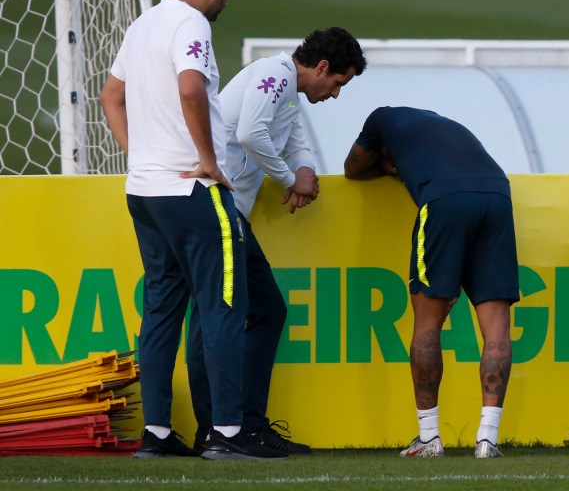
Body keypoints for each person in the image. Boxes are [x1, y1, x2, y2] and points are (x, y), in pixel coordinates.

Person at [99, 0, 285, 461]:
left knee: (160, 312)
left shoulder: (143, 24)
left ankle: (156, 434)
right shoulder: (191, 24)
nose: (227, 2)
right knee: (224, 308)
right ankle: (226, 432)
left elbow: (109, 96)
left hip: (145, 190)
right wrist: (209, 159)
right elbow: (190, 89)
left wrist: (142, 155)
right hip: (191, 190)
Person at [187, 27, 367, 455]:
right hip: (216, 211)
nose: (336, 94)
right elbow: (252, 133)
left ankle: (230, 426)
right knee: (235, 315)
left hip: (225, 215)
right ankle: (228, 428)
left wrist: (304, 170)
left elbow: (294, 141)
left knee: (233, 314)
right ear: (322, 67)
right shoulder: (275, 73)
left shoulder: (284, 88)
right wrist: (290, 179)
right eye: (338, 83)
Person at [343, 107, 520, 459]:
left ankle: (428, 437)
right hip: (498, 195)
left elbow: (352, 169)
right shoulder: (445, 125)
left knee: (427, 325)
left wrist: (386, 168)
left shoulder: (380, 118)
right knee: (497, 328)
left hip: (445, 199)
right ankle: (488, 439)